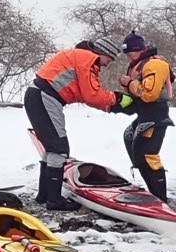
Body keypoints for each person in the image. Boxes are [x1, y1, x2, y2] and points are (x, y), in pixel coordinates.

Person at [25, 38, 120, 209]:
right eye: (110, 59)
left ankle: (44, 196)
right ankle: (54, 200)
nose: (108, 64)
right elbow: (92, 96)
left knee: (52, 148)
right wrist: (116, 99)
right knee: (58, 148)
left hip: (37, 95)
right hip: (46, 97)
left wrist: (109, 104)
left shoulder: (79, 56)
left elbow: (82, 93)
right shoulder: (87, 59)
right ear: (104, 52)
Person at [114, 31, 174, 201]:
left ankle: (160, 198)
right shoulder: (138, 64)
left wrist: (129, 83)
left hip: (155, 116)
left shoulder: (154, 64)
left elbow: (150, 95)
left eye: (130, 52)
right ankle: (153, 192)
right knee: (131, 140)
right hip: (144, 115)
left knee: (148, 156)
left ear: (139, 49)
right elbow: (137, 94)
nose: (128, 56)